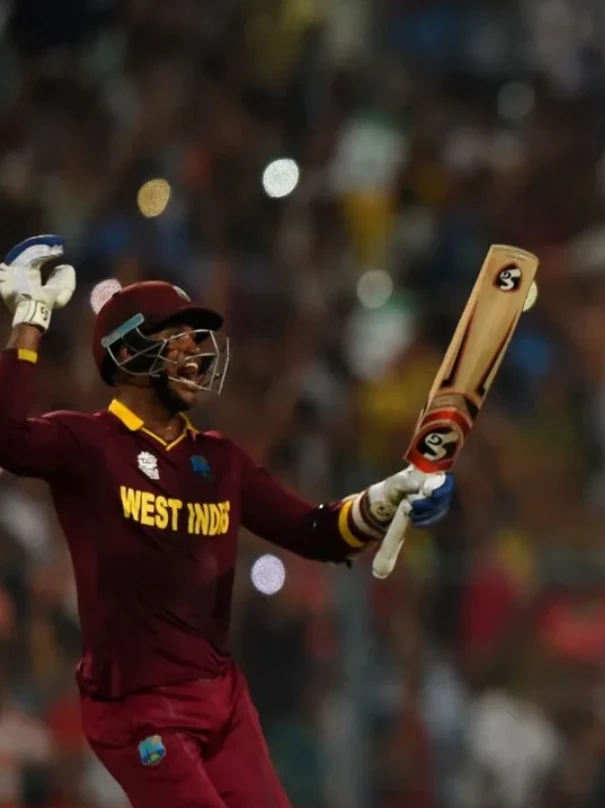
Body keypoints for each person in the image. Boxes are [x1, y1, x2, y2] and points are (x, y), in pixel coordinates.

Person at [0, 235, 457, 808]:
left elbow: (315, 532)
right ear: (127, 353)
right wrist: (31, 316)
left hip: (222, 699)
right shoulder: (89, 442)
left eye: (199, 338)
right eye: (179, 339)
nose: (198, 351)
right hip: (137, 709)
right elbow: (8, 438)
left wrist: (393, 493)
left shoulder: (221, 460)